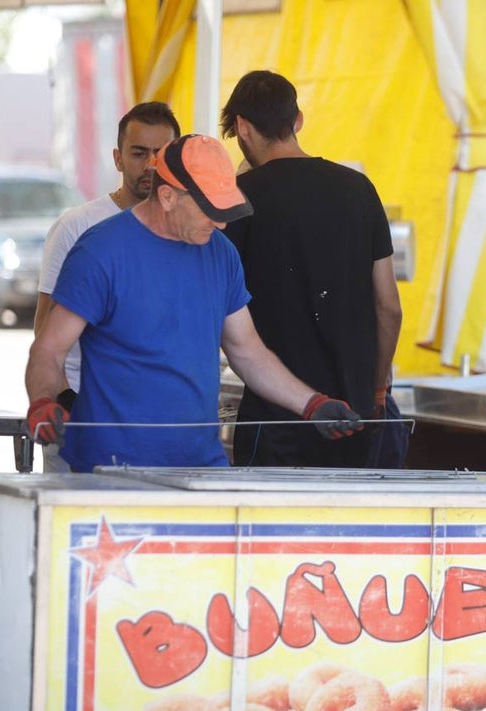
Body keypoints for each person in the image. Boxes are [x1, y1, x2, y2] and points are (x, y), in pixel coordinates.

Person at [25, 134, 362, 472]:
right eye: (209, 210)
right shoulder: (101, 252)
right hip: (111, 467)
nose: (221, 223)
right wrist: (42, 400)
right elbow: (49, 349)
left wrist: (312, 404)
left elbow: (248, 352)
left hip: (199, 464)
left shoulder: (221, 253)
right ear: (168, 196)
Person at [220, 70, 404, 468]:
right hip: (353, 416)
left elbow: (221, 307)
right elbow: (389, 307)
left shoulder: (239, 200)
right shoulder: (359, 189)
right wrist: (375, 387)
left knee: (273, 511)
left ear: (242, 128)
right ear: (298, 120)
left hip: (276, 416)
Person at [32, 102, 181, 472]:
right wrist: (64, 401)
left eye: (161, 154)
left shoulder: (187, 230)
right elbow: (45, 328)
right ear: (118, 158)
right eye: (138, 153)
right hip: (82, 420)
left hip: (158, 428)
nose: (150, 165)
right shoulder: (77, 226)